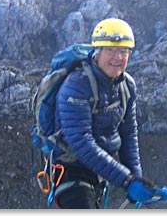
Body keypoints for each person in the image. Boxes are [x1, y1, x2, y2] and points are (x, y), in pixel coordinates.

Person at [52, 18, 159, 208]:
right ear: (97, 52)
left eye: (124, 51)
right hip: (72, 170)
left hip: (101, 172)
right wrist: (127, 181)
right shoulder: (77, 85)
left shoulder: (127, 86)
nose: (118, 57)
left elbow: (128, 135)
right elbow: (81, 142)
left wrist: (137, 179)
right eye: (111, 50)